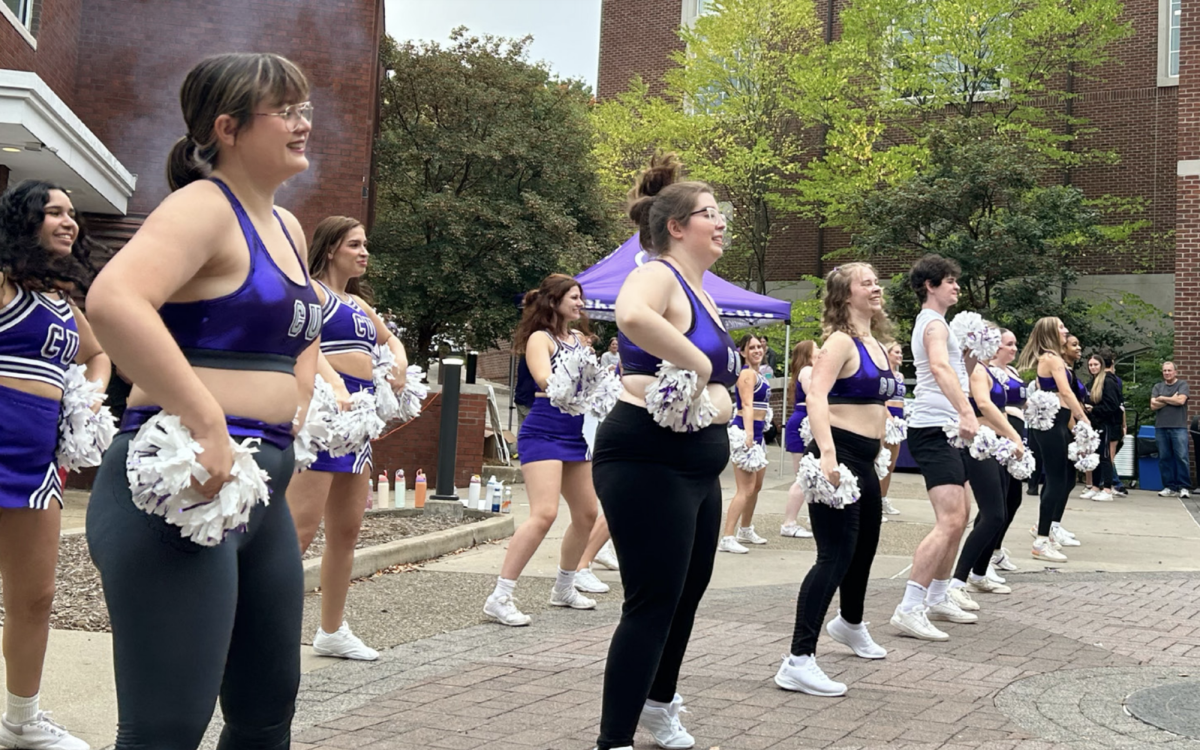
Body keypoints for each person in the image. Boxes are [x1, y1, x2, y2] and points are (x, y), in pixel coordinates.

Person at [85, 53, 319, 749]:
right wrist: (207, 417)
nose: (305, 124)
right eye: (289, 111)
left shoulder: (289, 227)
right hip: (183, 484)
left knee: (266, 711)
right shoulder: (200, 207)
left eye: (306, 109)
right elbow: (113, 301)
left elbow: (300, 333)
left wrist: (302, 408)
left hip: (260, 493)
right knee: (168, 728)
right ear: (228, 128)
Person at [591, 153, 737, 750]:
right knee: (651, 602)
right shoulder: (658, 272)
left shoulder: (705, 293)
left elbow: (724, 389)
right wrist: (699, 364)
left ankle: (658, 704)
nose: (722, 223)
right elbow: (630, 315)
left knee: (686, 592)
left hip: (698, 469)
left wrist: (720, 400)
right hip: (646, 459)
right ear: (677, 227)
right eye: (711, 214)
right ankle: (614, 739)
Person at [0, 180, 110, 750]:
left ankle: (22, 719)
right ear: (25, 220)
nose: (68, 221)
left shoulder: (64, 302)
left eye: (72, 213)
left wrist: (90, 394)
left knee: (35, 596)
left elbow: (98, 355)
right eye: (53, 212)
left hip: (38, 463)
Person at [286, 216, 407, 660]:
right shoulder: (312, 292)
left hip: (358, 419)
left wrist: (397, 360)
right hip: (324, 411)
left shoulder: (355, 302)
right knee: (298, 528)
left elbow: (390, 338)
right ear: (331, 247)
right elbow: (304, 344)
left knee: (348, 528)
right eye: (355, 244)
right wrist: (335, 385)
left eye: (365, 244)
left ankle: (332, 630)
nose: (364, 252)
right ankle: (262, 627)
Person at [776, 263, 895, 697]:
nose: (876, 287)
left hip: (864, 459)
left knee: (863, 550)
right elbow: (815, 396)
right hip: (837, 457)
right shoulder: (840, 341)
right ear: (846, 295)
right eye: (867, 283)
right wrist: (827, 454)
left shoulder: (877, 344)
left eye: (876, 281)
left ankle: (850, 623)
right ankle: (798, 659)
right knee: (834, 556)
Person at [484, 274, 599, 626]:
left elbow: (594, 382)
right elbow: (545, 381)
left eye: (581, 298)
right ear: (556, 300)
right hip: (545, 431)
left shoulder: (582, 339)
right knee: (544, 513)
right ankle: (500, 596)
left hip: (576, 432)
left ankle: (563, 587)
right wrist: (583, 381)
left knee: (587, 514)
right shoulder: (540, 339)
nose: (580, 303)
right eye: (574, 297)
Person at [890, 254, 978, 642]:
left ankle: (939, 595)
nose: (956, 286)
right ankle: (909, 607)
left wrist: (972, 358)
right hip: (934, 427)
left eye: (956, 280)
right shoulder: (932, 324)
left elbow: (956, 370)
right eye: (949, 280)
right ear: (930, 285)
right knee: (950, 519)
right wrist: (966, 411)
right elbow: (940, 370)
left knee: (963, 514)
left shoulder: (939, 325)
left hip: (948, 428)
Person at [947, 324, 1026, 610]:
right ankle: (957, 582)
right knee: (993, 514)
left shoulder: (994, 373)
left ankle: (979, 573)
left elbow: (1002, 409)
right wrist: (1013, 435)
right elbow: (983, 404)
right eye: (1006, 342)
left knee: (999, 511)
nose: (1011, 348)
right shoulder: (977, 370)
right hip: (977, 445)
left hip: (994, 445)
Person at [1016, 318, 1089, 563]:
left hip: (1059, 422)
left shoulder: (1052, 358)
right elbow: (1066, 392)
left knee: (1063, 478)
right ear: (1050, 332)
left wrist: (1074, 423)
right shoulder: (1052, 359)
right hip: (1052, 424)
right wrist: (1082, 419)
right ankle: (1041, 539)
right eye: (1060, 327)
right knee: (1057, 479)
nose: (1065, 329)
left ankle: (1047, 532)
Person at [718, 334, 771, 553]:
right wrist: (749, 435)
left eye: (759, 346)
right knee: (745, 488)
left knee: (756, 486)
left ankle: (745, 529)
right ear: (743, 352)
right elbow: (747, 405)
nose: (757, 350)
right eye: (752, 347)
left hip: (758, 432)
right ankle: (727, 536)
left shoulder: (761, 374)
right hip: (745, 431)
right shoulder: (747, 374)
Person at [985, 329, 1027, 575]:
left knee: (1014, 497)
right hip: (1002, 432)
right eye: (1009, 344)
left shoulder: (1013, 372)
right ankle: (986, 553)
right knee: (998, 497)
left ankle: (997, 549)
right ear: (996, 346)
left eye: (1015, 344)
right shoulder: (988, 371)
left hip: (1018, 432)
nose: (1013, 348)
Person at [781, 340, 816, 538]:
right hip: (804, 423)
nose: (820, 351)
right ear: (808, 354)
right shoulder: (807, 371)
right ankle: (789, 522)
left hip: (803, 421)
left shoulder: (805, 372)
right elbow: (815, 396)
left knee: (808, 474)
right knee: (803, 475)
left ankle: (812, 517)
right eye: (816, 348)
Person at [1085, 351, 1122, 503]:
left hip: (1108, 424)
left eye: (1095, 365)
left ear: (1101, 366)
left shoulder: (1108, 382)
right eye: (1090, 365)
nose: (1092, 367)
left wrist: (1094, 410)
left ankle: (1107, 488)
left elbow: (1112, 405)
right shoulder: (1091, 383)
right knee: (1096, 456)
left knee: (1106, 456)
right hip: (1095, 423)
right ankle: (1094, 487)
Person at [1151, 361, 1190, 498]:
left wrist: (1162, 398)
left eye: (1169, 370)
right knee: (1164, 458)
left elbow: (1181, 401)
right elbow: (1153, 406)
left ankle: (1184, 487)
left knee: (1182, 457)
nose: (1167, 373)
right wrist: (1171, 399)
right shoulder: (1158, 386)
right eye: (1165, 371)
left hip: (1179, 427)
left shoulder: (1182, 385)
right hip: (1161, 427)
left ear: (1175, 372)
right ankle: (1169, 486)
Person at [879, 340, 906, 518]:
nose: (900, 355)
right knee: (882, 460)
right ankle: (875, 501)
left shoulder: (900, 376)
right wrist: (888, 417)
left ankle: (883, 498)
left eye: (900, 353)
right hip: (887, 416)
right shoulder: (883, 374)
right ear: (887, 354)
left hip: (899, 416)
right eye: (896, 352)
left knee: (891, 464)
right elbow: (881, 398)